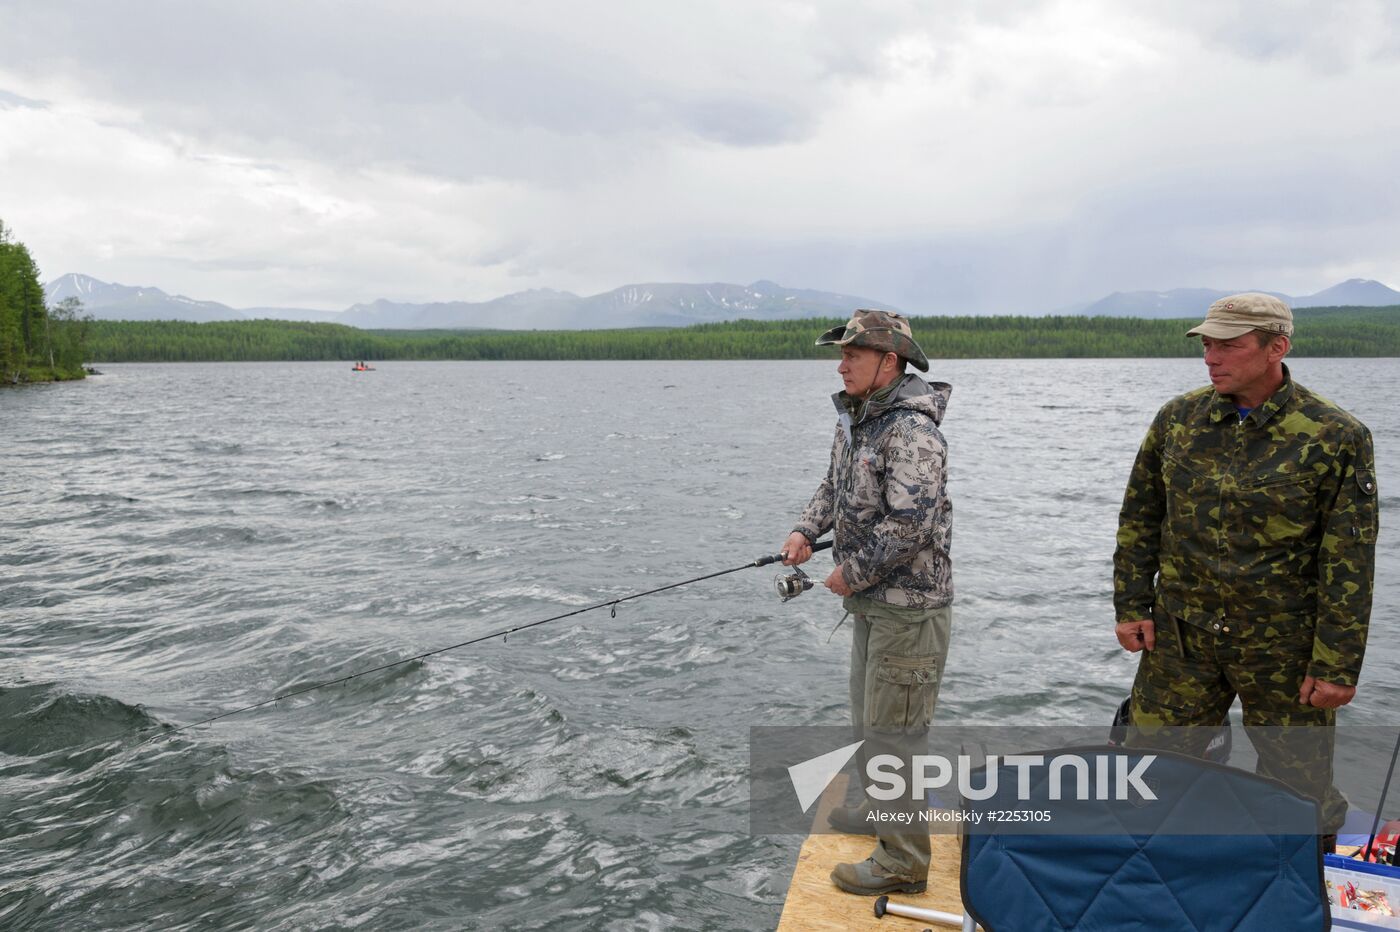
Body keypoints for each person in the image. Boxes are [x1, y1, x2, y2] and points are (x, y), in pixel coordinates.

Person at [1114, 292, 1379, 842]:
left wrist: (1337, 663)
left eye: (1228, 346)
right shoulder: (1178, 420)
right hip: (1182, 636)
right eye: (1207, 344)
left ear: (1275, 347)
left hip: (1282, 647)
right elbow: (1141, 514)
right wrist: (1130, 603)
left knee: (1300, 794)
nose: (1211, 357)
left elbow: (1348, 557)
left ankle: (1302, 900)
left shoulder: (1334, 435)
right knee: (1146, 776)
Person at [781, 308, 953, 896]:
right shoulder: (857, 419)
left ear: (890, 361)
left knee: (895, 739)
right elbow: (834, 484)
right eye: (843, 354)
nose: (841, 364)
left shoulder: (912, 431)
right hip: (873, 606)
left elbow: (911, 525)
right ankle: (882, 817)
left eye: (852, 355)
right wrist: (807, 530)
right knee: (867, 724)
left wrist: (848, 573)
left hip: (909, 612)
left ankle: (904, 864)